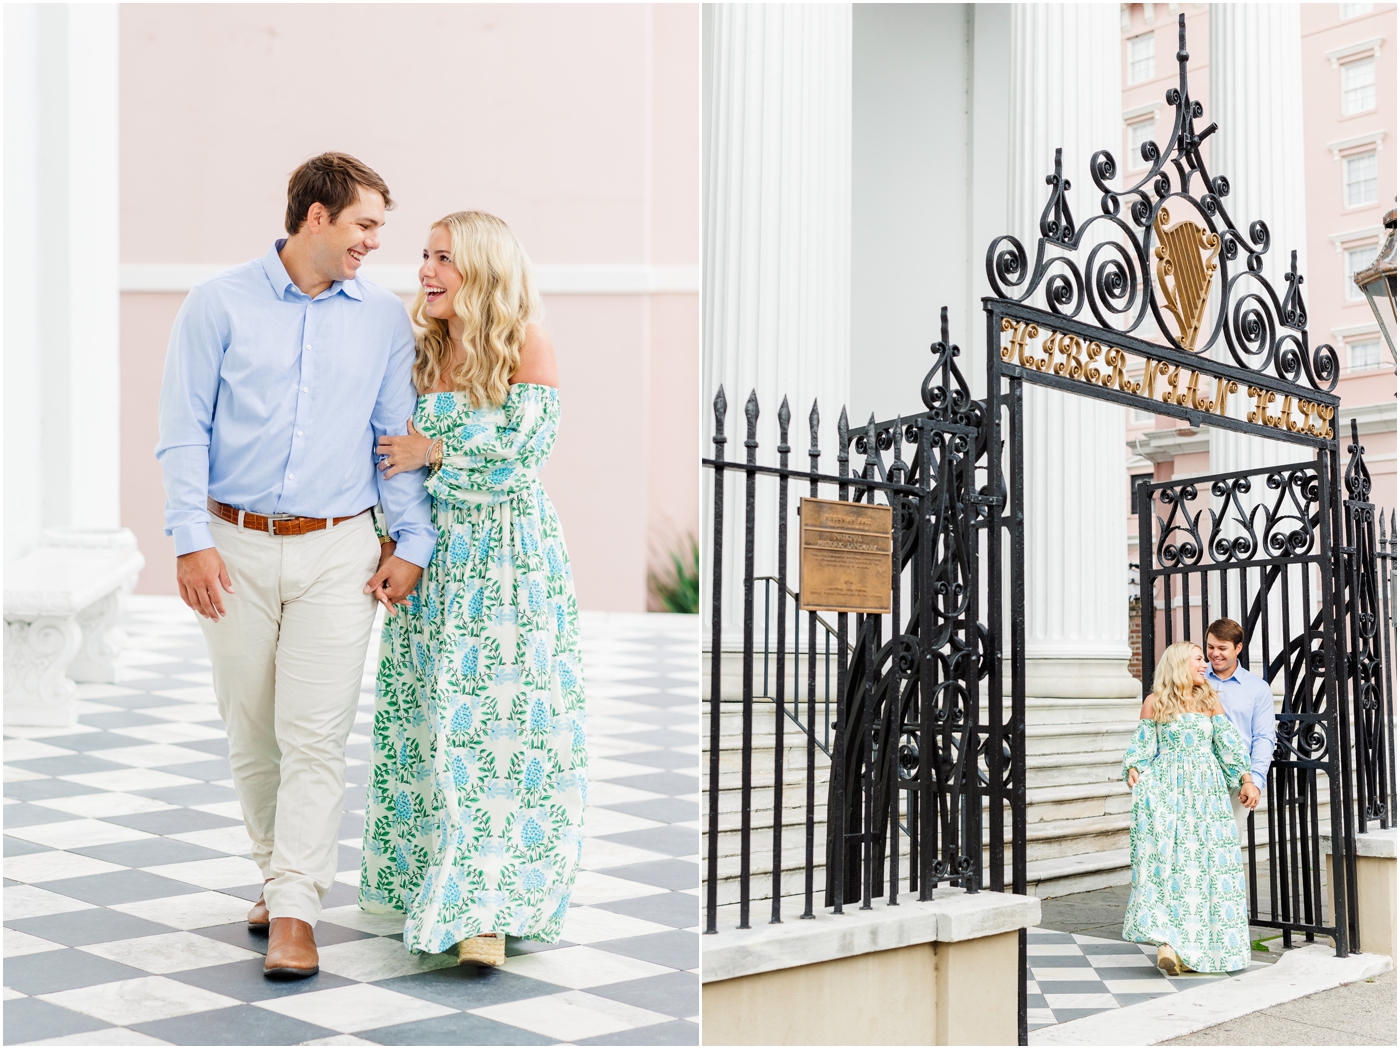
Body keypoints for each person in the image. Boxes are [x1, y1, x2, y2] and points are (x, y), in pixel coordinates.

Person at [156, 153, 436, 979]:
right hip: (231, 545)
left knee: (315, 732)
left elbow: (395, 440)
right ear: (315, 216)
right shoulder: (218, 304)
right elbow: (183, 429)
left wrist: (409, 541)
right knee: (253, 728)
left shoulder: (384, 319)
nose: (376, 243)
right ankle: (281, 876)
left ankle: (297, 910)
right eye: (364, 225)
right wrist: (188, 537)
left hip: (338, 549)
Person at [358, 211, 587, 967]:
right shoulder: (419, 351)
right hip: (436, 564)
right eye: (424, 255)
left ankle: (487, 907)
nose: (425, 269)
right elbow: (389, 461)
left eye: (444, 258)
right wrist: (395, 539)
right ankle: (443, 888)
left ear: (482, 267)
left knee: (504, 732)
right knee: (432, 725)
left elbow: (522, 454)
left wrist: (435, 449)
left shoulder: (527, 342)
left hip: (512, 567)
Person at [1122, 641, 1254, 975]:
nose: (1205, 665)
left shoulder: (1210, 700)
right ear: (1180, 663)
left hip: (1206, 796)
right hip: (1167, 795)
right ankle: (1166, 942)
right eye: (1198, 659)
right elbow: (1141, 748)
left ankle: (1195, 948)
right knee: (1169, 866)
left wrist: (1246, 779)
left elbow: (1228, 744)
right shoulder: (1155, 703)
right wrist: (1134, 768)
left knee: (1204, 868)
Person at [1204, 618, 1274, 847]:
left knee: (1226, 845)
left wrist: (1254, 780)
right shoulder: (1195, 680)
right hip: (1197, 774)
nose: (1215, 654)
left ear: (1238, 648)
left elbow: (1263, 737)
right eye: (1210, 647)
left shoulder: (1257, 689)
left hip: (1236, 780)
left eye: (1222, 648)